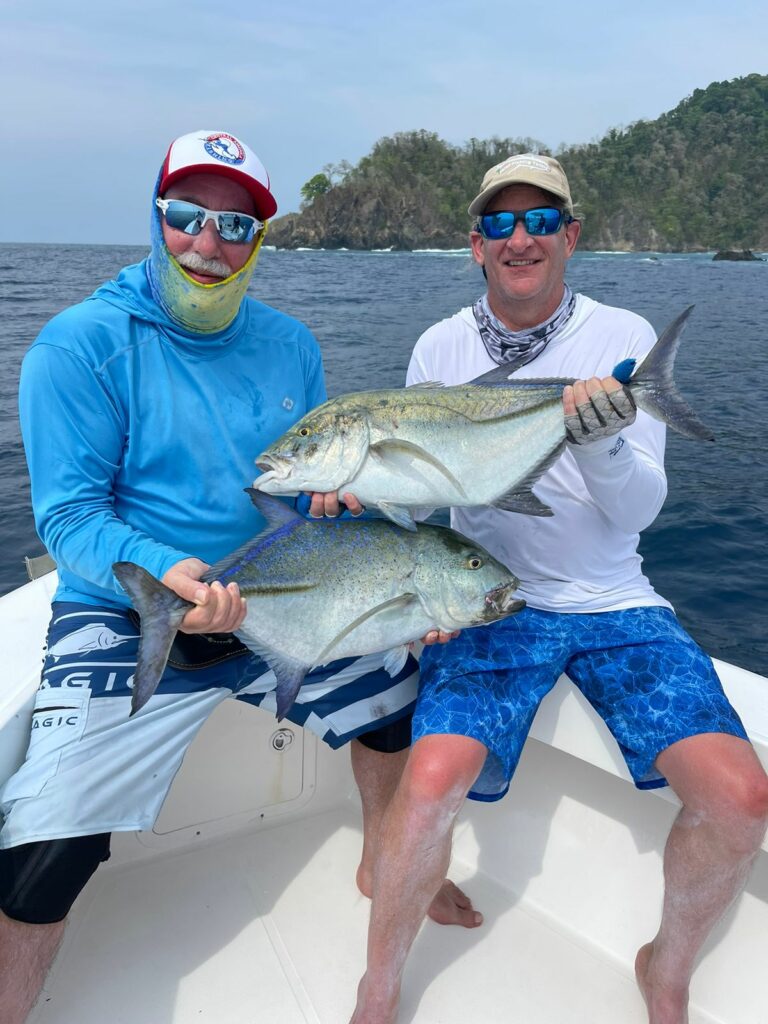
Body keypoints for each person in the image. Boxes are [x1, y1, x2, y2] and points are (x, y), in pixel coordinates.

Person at [0, 129, 468, 1024]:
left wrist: (349, 514)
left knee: (398, 692)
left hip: (283, 583)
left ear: (260, 239)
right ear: (157, 214)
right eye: (187, 217)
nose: (208, 244)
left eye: (236, 226)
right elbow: (68, 518)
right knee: (47, 845)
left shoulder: (290, 346)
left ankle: (382, 860)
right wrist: (170, 578)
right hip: (132, 602)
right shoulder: (77, 347)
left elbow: (302, 487)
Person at [350, 154, 768, 1024]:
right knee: (427, 785)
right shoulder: (439, 348)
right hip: (487, 597)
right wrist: (370, 486)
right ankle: (378, 986)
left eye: (541, 221)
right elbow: (436, 494)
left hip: (616, 602)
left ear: (569, 236)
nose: (520, 238)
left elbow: (640, 512)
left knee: (740, 797)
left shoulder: (620, 334)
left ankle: (667, 967)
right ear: (475, 245)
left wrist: (603, 442)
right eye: (500, 224)